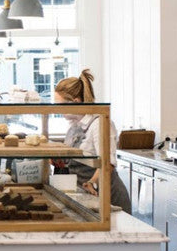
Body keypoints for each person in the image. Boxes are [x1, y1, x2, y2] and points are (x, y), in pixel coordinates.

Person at [52, 69, 132, 214]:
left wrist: (92, 182)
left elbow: (108, 163)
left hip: (106, 195)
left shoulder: (100, 123)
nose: (57, 110)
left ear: (75, 102)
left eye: (60, 105)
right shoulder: (74, 125)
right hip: (85, 195)